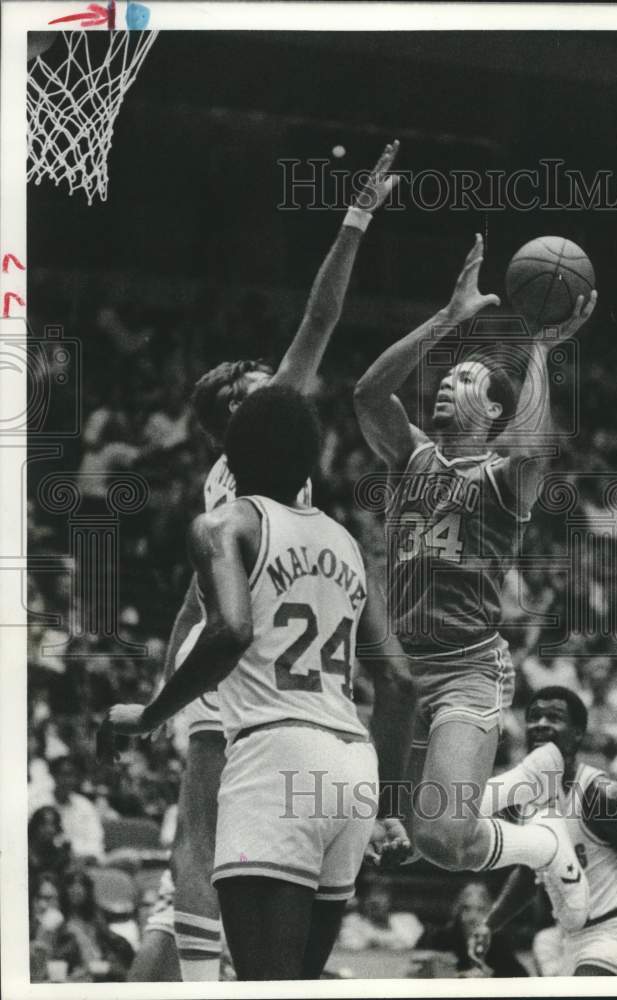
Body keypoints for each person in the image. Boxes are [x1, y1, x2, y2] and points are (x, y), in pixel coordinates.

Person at [143, 140, 401, 982]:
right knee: (202, 817)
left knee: (217, 828)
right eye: (263, 380)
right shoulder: (251, 472)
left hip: (253, 653)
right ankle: (200, 972)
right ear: (237, 410)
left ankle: (205, 956)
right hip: (249, 661)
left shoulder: (257, 492)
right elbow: (318, 321)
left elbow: (197, 601)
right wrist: (356, 220)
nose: (284, 380)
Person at [101, 385, 415, 981]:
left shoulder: (222, 524)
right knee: (296, 984)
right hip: (351, 769)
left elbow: (229, 631)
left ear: (229, 458)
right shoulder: (347, 543)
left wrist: (149, 714)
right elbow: (398, 682)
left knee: (263, 989)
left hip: (274, 759)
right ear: (311, 464)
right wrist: (387, 808)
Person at [354, 234, 597, 929]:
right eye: (447, 374)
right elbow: (368, 391)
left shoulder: (504, 480)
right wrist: (446, 319)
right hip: (400, 673)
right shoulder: (410, 457)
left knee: (451, 837)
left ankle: (548, 846)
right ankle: (515, 800)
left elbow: (532, 445)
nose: (444, 384)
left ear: (493, 410)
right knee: (436, 845)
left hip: (466, 670)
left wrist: (541, 350)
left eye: (463, 378)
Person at [467, 686, 617, 976]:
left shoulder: (603, 795)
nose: (541, 724)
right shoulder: (526, 800)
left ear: (576, 734)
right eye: (534, 717)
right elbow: (528, 873)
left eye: (554, 717)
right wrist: (489, 924)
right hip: (568, 940)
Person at [418, 881, 528, 978]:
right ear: (458, 911)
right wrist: (461, 976)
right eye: (466, 908)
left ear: (489, 913)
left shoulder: (497, 941)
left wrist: (492, 976)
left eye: (480, 910)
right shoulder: (441, 937)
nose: (473, 916)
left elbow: (522, 977)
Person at [28, 756, 105, 864]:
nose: (68, 780)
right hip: (47, 862)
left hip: (85, 861)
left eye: (72, 776)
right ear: (53, 776)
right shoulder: (37, 803)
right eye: (63, 775)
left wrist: (80, 855)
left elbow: (96, 841)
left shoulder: (85, 805)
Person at [338, 880, 423, 952]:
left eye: (381, 894)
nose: (375, 899)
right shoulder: (352, 922)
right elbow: (353, 946)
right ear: (363, 900)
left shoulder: (407, 920)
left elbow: (410, 943)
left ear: (390, 899)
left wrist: (373, 941)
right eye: (370, 895)